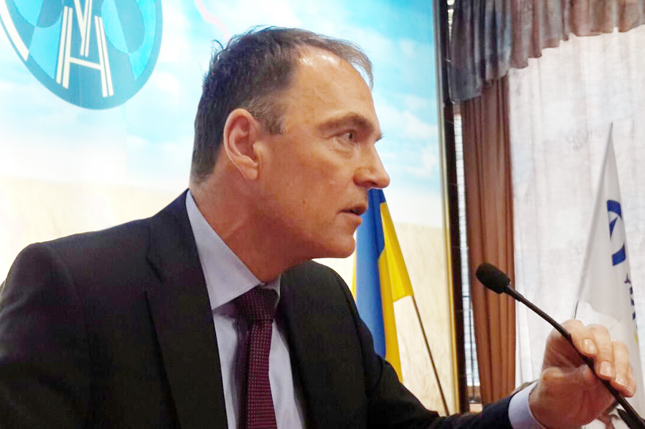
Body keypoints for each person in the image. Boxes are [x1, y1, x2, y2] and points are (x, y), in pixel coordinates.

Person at [0, 27, 636, 428]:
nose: (379, 173)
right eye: (347, 136)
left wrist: (539, 409)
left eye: (375, 143)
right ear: (245, 144)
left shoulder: (322, 300)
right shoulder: (74, 291)